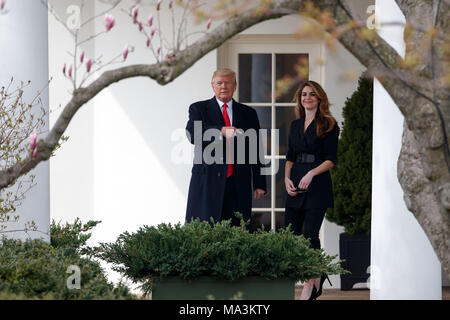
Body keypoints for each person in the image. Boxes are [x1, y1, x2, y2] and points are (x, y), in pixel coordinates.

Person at [185, 68, 267, 227]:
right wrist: (220, 131)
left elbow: (256, 149)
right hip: (207, 181)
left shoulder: (248, 113)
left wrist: (259, 183)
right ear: (212, 86)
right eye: (219, 83)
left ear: (235, 86)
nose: (224, 86)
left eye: (228, 82)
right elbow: (192, 134)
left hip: (238, 182)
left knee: (237, 233)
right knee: (204, 232)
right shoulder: (198, 109)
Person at [284, 80, 339, 300]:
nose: (307, 97)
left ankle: (310, 283)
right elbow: (290, 157)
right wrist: (287, 179)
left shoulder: (328, 123)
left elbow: (331, 159)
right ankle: (316, 273)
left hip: (317, 184)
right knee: (290, 234)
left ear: (319, 99)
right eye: (304, 94)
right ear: (300, 98)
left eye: (312, 94)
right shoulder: (295, 125)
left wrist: (311, 173)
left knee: (309, 235)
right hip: (295, 181)